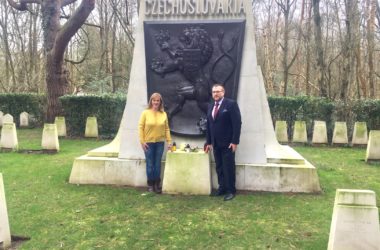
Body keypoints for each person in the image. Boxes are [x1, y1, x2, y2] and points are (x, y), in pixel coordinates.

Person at [205, 84, 242, 201]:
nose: (215, 94)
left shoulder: (231, 104)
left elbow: (237, 123)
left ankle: (231, 191)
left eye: (218, 91)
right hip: (215, 144)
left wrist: (235, 141)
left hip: (228, 144)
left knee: (228, 168)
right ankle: (222, 188)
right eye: (213, 92)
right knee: (219, 167)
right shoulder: (211, 106)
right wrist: (209, 142)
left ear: (223, 92)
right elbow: (209, 125)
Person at [139, 93, 172, 193]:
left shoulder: (163, 114)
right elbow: (141, 127)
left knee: (157, 164)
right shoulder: (145, 113)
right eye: (154, 100)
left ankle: (157, 184)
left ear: (160, 102)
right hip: (148, 143)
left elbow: (166, 129)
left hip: (160, 143)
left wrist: (169, 141)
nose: (156, 102)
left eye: (158, 100)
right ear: (151, 101)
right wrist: (142, 141)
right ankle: (150, 184)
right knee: (150, 164)